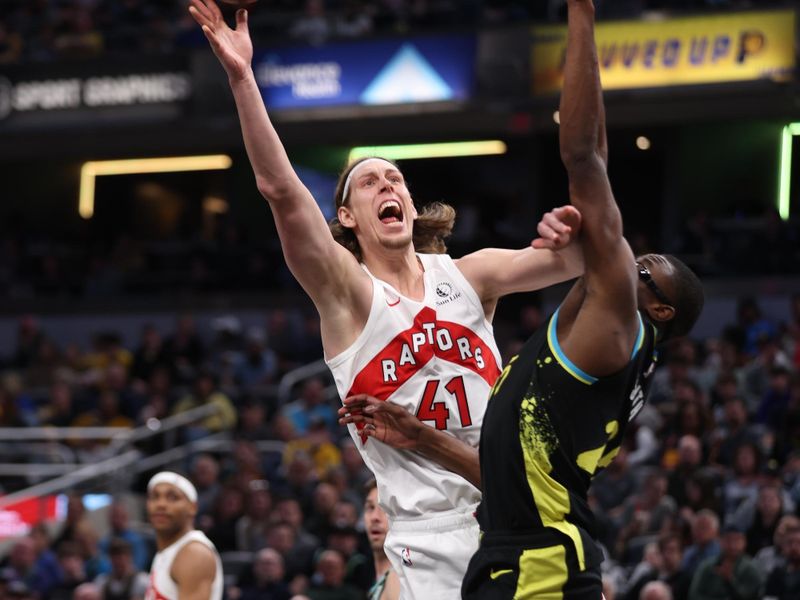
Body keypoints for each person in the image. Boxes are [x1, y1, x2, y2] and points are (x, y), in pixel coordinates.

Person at [188, 1, 584, 597]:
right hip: (433, 534)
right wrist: (243, 79)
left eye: (395, 177)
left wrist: (571, 232)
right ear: (347, 216)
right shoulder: (347, 293)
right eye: (369, 181)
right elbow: (280, 190)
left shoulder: (469, 276)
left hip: (515, 506)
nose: (388, 184)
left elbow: (582, 260)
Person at [340, 0, 704, 597]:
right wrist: (424, 437)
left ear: (658, 310)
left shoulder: (617, 321)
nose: (629, 261)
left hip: (539, 562)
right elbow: (502, 475)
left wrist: (581, 15)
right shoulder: (606, 328)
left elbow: (586, 156)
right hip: (517, 544)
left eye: (645, 269)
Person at [144, 471, 223, 600]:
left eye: (173, 497)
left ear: (193, 507)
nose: (161, 504)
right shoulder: (168, 551)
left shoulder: (194, 553)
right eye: (155, 497)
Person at [363, 480, 400, 600]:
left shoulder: (396, 578)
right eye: (370, 507)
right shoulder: (378, 580)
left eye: (384, 509)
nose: (374, 517)